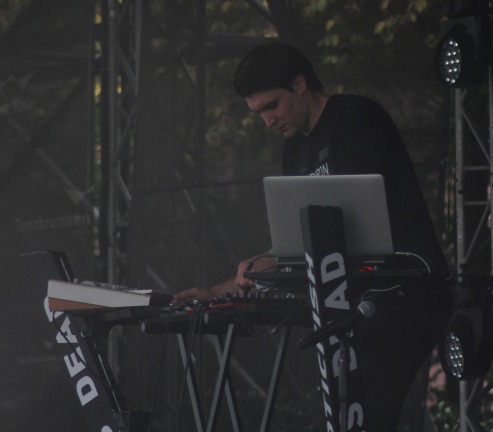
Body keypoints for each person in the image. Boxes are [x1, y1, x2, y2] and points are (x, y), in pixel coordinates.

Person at [173, 41, 453, 431]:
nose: (268, 121)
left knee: (365, 416)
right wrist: (220, 289)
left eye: (272, 105)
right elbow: (297, 243)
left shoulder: (356, 119)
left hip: (404, 295)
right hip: (353, 304)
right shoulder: (294, 150)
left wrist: (282, 259)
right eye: (259, 113)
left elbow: (360, 226)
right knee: (350, 417)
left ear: (300, 84)